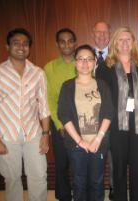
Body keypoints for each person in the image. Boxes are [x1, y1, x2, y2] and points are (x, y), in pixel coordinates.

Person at [0, 28, 50, 201]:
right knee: (12, 179)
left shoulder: (38, 73)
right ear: (7, 46)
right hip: (6, 134)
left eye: (25, 43)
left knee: (39, 176)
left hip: (33, 133)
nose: (21, 47)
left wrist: (45, 135)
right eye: (16, 43)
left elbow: (44, 106)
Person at [58, 44, 113, 201]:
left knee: (97, 182)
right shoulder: (68, 86)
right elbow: (64, 115)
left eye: (89, 59)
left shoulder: (102, 85)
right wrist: (80, 141)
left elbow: (109, 113)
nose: (84, 63)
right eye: (80, 59)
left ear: (95, 62)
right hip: (76, 145)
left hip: (99, 143)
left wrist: (98, 138)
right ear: (75, 62)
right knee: (79, 182)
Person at [99, 27, 138, 201]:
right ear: (114, 43)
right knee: (118, 167)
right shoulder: (105, 68)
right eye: (120, 39)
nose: (125, 43)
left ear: (134, 43)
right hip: (116, 125)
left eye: (128, 39)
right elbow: (103, 99)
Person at [44, 28, 77, 201]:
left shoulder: (82, 63)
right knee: (62, 163)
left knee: (79, 163)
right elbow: (48, 98)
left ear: (75, 43)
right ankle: (63, 196)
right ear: (57, 44)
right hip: (59, 123)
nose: (66, 44)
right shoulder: (49, 67)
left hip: (81, 123)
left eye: (70, 40)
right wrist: (58, 125)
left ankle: (80, 194)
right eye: (62, 41)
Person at [92, 21, 114, 200]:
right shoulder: (84, 55)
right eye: (98, 32)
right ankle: (95, 190)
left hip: (111, 115)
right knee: (94, 156)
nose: (101, 35)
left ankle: (114, 188)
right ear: (93, 33)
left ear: (110, 34)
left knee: (114, 156)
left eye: (105, 32)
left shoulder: (115, 57)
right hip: (89, 117)